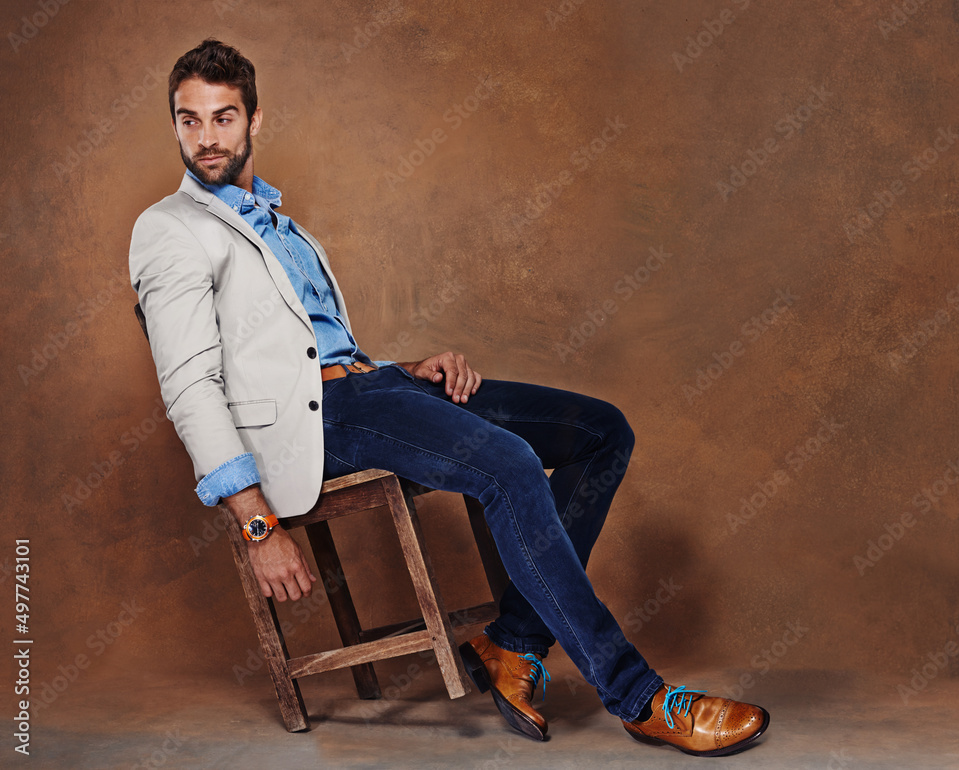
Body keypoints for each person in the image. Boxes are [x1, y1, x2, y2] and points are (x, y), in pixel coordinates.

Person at [130, 38, 769, 757]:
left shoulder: (282, 225)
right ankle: (640, 697)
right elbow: (189, 383)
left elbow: (312, 345)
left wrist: (403, 368)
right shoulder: (169, 230)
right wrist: (254, 524)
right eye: (189, 120)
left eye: (222, 118)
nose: (206, 138)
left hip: (372, 389)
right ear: (175, 123)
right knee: (511, 466)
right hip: (322, 424)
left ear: (254, 120)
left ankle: (512, 646)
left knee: (600, 431)